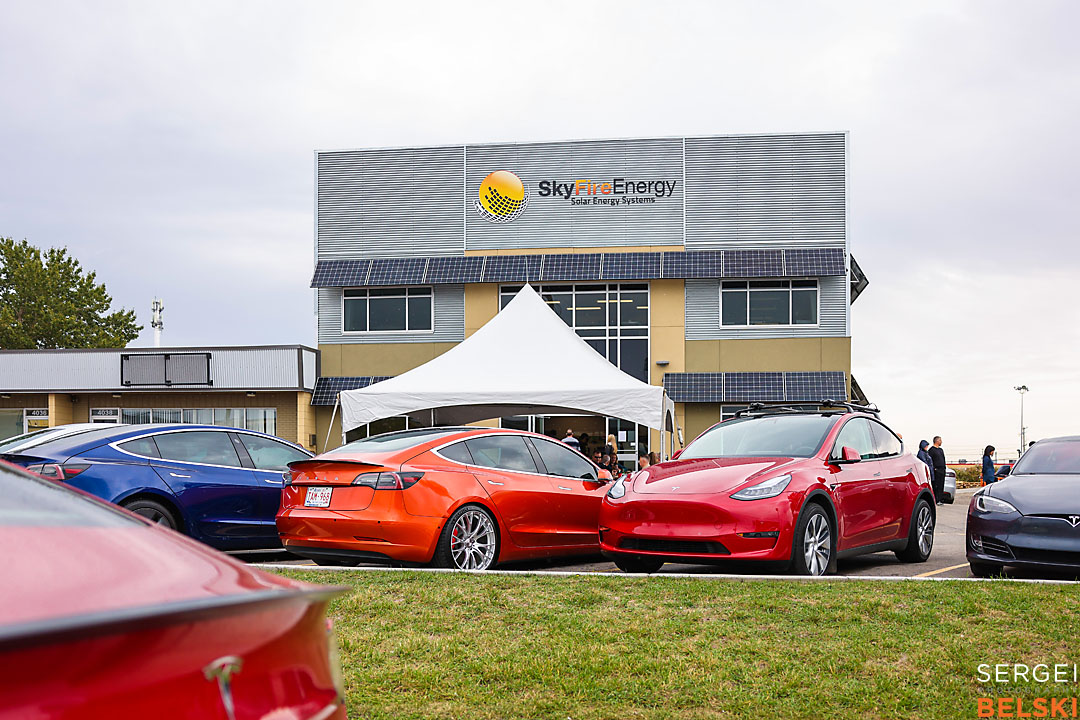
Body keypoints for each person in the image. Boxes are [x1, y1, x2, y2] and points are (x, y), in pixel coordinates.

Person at [927, 436, 947, 505]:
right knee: (936, 485)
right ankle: (936, 500)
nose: (941, 442)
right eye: (940, 440)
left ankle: (940, 499)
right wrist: (934, 468)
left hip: (942, 469)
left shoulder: (941, 450)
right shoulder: (931, 450)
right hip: (936, 470)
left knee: (941, 485)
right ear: (937, 441)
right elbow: (930, 461)